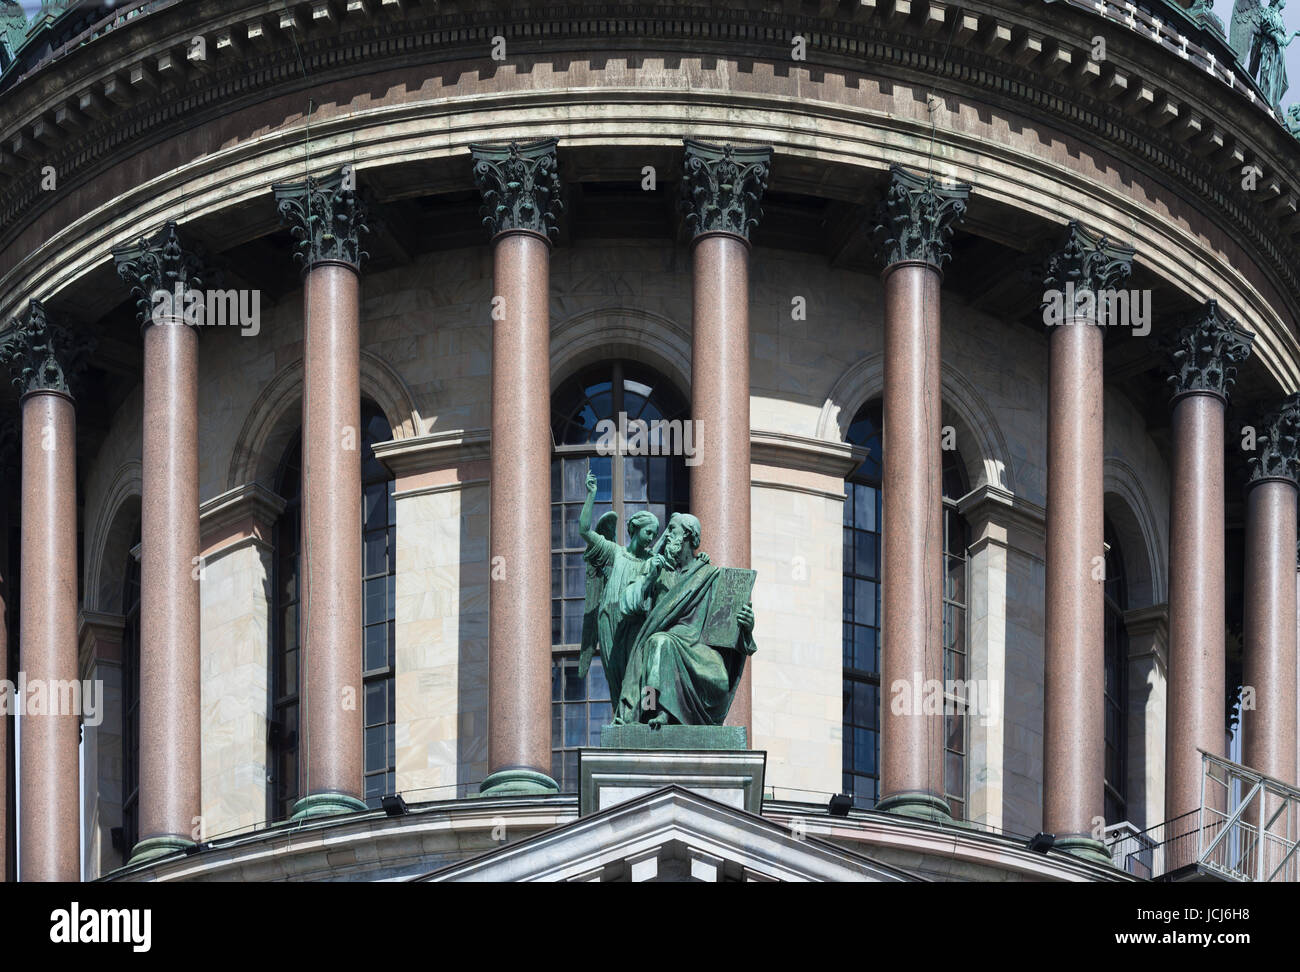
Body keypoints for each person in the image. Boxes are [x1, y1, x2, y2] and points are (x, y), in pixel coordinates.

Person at [611, 512, 756, 727]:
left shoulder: (709, 576)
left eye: (672, 529)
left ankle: (661, 710)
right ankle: (654, 711)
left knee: (714, 676)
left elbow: (727, 633)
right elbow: (626, 605)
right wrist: (648, 579)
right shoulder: (656, 571)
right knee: (658, 644)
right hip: (661, 646)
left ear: (687, 535)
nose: (666, 535)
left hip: (699, 652)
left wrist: (746, 628)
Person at [576, 468, 658, 706]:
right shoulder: (615, 552)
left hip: (634, 620)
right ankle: (620, 718)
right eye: (648, 532)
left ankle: (639, 713)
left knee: (636, 670)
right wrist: (591, 495)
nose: (651, 538)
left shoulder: (651, 562)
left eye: (654, 534)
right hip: (608, 615)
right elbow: (584, 530)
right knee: (615, 673)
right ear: (635, 529)